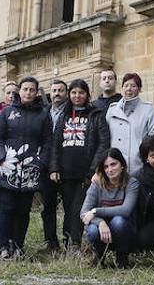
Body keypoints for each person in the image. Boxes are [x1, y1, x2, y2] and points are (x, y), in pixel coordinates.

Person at [0, 76, 52, 260]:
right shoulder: (7, 112)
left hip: (30, 169)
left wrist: (41, 162)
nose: (28, 92)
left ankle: (18, 245)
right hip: (8, 166)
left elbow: (48, 141)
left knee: (23, 210)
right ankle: (3, 246)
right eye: (25, 89)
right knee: (6, 208)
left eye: (32, 90)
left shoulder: (43, 114)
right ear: (19, 91)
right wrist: (0, 157)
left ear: (36, 92)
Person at [49, 79, 110, 251]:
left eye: (81, 92)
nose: (77, 96)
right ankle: (68, 241)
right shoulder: (64, 115)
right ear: (69, 95)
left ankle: (75, 244)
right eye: (74, 92)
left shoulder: (96, 114)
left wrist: (95, 169)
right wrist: (54, 167)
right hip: (66, 171)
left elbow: (103, 143)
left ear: (87, 94)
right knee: (68, 208)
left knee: (79, 207)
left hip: (87, 172)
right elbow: (55, 143)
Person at [80, 148, 139, 268]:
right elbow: (83, 213)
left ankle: (121, 259)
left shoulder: (132, 183)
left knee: (119, 221)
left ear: (122, 165)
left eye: (113, 164)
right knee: (92, 229)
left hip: (123, 230)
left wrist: (96, 211)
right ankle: (99, 258)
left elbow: (126, 210)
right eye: (106, 167)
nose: (110, 169)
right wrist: (100, 222)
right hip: (101, 231)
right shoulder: (97, 184)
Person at [106, 73, 154, 174]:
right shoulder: (112, 109)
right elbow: (106, 136)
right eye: (126, 85)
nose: (129, 89)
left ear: (139, 89)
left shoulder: (148, 109)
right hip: (114, 165)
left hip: (137, 165)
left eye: (133, 86)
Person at [41, 80, 69, 252]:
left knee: (69, 205)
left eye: (60, 90)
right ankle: (50, 241)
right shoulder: (43, 112)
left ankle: (69, 240)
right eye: (54, 90)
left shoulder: (71, 112)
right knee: (48, 206)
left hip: (65, 164)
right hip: (45, 167)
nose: (57, 93)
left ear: (66, 93)